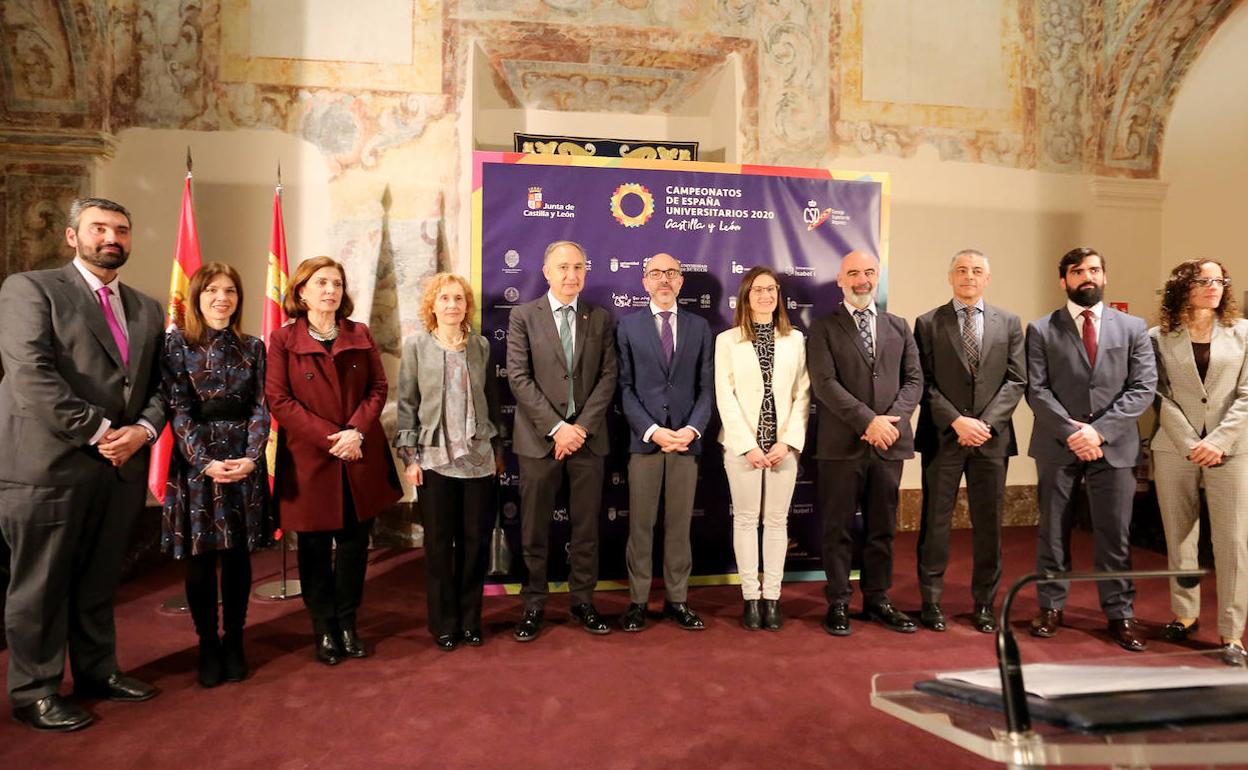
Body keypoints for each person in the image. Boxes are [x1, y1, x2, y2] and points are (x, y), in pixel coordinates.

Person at [0, 198, 165, 731]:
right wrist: (100, 432)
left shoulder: (146, 307)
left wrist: (140, 432)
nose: (111, 237)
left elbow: (161, 387)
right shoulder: (31, 289)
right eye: (99, 228)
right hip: (48, 467)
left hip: (117, 469)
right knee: (40, 586)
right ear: (73, 236)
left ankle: (98, 672)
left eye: (121, 228)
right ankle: (35, 691)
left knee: (98, 581)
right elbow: (31, 376)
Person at [266, 256, 401, 665]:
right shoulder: (283, 340)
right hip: (311, 461)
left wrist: (356, 431)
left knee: (355, 547)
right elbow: (279, 400)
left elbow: (378, 387)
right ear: (302, 291)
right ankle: (323, 628)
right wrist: (332, 440)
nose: (330, 291)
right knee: (313, 550)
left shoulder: (359, 333)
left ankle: (347, 623)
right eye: (321, 283)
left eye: (337, 284)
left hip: (359, 455)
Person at [1026, 247, 1156, 651]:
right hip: (1057, 444)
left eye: (1095, 270)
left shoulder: (1134, 327)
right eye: (1078, 271)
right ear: (1063, 280)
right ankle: (1050, 606)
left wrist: (1098, 432)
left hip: (1114, 446)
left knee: (1114, 535)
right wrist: (1072, 431)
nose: (1088, 276)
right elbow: (1037, 388)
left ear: (1105, 276)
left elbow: (1142, 388)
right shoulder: (1041, 328)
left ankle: (1119, 613)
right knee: (1053, 531)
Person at [161, 262, 271, 687]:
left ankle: (235, 640)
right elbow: (177, 408)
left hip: (243, 460)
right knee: (201, 562)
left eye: (230, 290)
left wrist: (251, 455)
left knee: (239, 559)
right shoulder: (176, 345)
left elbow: (262, 406)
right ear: (197, 296)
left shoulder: (253, 346)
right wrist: (203, 460)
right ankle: (207, 643)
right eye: (212, 290)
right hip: (197, 466)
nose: (221, 298)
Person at [505, 240, 618, 642]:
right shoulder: (523, 316)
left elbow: (608, 378)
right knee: (534, 529)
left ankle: (583, 600)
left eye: (579, 267)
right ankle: (534, 604)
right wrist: (558, 428)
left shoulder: (599, 318)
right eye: (564, 267)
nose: (572, 274)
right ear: (547, 272)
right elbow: (518, 377)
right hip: (539, 441)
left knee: (585, 529)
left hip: (587, 441)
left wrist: (580, 428)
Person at [807, 250, 923, 636]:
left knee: (882, 527)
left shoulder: (899, 326)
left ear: (878, 278)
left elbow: (914, 381)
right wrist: (867, 421)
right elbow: (824, 384)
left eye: (869, 272)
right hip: (841, 445)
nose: (862, 279)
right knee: (837, 528)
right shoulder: (823, 327)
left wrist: (891, 422)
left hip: (889, 443)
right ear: (840, 279)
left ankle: (878, 598)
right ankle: (839, 600)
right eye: (853, 273)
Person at [913, 250, 1026, 633]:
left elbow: (1016, 380)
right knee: (935, 523)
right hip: (944, 436)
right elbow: (921, 382)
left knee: (989, 524)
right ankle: (930, 601)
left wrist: (986, 423)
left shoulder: (1009, 323)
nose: (969, 276)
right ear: (950, 277)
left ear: (987, 278)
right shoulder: (927, 323)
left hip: (991, 441)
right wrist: (958, 421)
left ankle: (984, 604)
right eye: (961, 270)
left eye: (977, 271)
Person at [394, 273, 505, 651]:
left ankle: (471, 620)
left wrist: (498, 452)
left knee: (475, 545)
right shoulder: (417, 347)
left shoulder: (481, 347)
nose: (452, 305)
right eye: (444, 298)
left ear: (466, 306)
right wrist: (410, 458)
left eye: (459, 299)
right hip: (433, 459)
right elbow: (406, 405)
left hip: (478, 460)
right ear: (432, 305)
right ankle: (444, 624)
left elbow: (491, 399)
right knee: (440, 546)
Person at [1150, 259, 1248, 662]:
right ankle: (1185, 614)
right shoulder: (1158, 337)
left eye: (1219, 280)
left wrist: (1219, 441)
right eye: (1203, 281)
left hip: (1232, 450)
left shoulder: (1243, 333)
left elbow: (1247, 395)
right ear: (1182, 288)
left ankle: (1231, 633)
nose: (1214, 287)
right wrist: (1192, 441)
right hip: (1176, 448)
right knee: (1180, 536)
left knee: (1232, 542)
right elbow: (1157, 394)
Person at [616, 253, 715, 632]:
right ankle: (638, 602)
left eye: (671, 273)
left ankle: (678, 600)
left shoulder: (700, 327)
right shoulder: (627, 327)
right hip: (645, 443)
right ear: (644, 281)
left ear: (681, 281)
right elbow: (623, 389)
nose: (663, 280)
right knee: (640, 526)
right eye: (655, 273)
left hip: (686, 444)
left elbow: (706, 389)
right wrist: (652, 430)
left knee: (678, 527)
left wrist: (691, 430)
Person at [715, 267, 810, 631]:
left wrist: (786, 441)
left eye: (771, 289)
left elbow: (803, 395)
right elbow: (726, 397)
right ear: (746, 296)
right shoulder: (727, 340)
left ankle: (773, 597)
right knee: (745, 520)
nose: (765, 296)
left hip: (784, 448)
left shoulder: (796, 340)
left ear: (778, 295)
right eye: (757, 290)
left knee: (775, 522)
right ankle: (750, 599)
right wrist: (747, 445)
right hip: (743, 449)